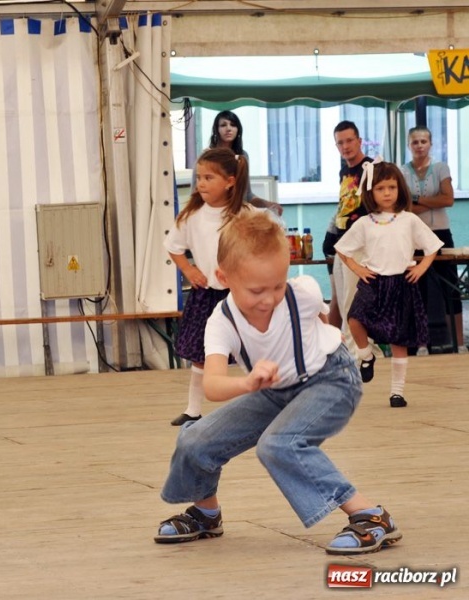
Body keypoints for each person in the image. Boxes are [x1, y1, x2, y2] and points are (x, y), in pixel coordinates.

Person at [154, 210, 401, 556]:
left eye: (277, 285)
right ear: (223, 277)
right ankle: (206, 513)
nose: (268, 298)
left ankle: (371, 516)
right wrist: (248, 383)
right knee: (195, 438)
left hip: (330, 379)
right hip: (272, 390)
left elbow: (322, 328)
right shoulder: (221, 321)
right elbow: (212, 386)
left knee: (278, 444)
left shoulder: (303, 293)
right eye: (256, 290)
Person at [335, 160, 443, 408]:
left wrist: (421, 267)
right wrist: (357, 268)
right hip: (373, 282)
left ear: (399, 189)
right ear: (371, 192)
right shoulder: (364, 223)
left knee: (398, 340)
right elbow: (343, 249)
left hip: (401, 284)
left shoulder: (409, 220)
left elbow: (432, 246)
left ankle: (397, 392)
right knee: (354, 319)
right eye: (381, 188)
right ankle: (366, 355)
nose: (387, 193)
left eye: (392, 187)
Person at [165, 148, 254, 426]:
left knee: (250, 349)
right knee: (201, 354)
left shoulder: (244, 214)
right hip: (206, 295)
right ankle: (193, 409)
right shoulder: (191, 215)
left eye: (208, 177)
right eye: (199, 177)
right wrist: (189, 270)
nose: (201, 183)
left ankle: (264, 401)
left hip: (239, 294)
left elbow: (259, 248)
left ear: (229, 181)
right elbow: (174, 248)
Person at [399, 126, 466, 354]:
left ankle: (460, 342)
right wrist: (430, 200)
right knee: (417, 289)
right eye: (415, 142)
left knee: (451, 287)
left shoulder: (440, 167)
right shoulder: (403, 171)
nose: (419, 146)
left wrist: (417, 199)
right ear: (409, 145)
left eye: (423, 141)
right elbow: (403, 206)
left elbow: (448, 199)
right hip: (415, 236)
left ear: (431, 144)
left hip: (440, 233)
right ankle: (421, 344)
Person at [322, 121, 373, 342]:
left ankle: (365, 355)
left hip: (361, 245)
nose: (345, 146)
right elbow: (344, 204)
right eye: (340, 142)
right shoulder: (344, 171)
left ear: (359, 141)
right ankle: (353, 356)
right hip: (343, 244)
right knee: (343, 303)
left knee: (354, 303)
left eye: (349, 140)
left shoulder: (371, 168)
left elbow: (374, 206)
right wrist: (331, 232)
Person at [209, 110, 283, 216]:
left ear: (238, 130)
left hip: (239, 218)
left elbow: (247, 195)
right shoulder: (208, 156)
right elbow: (197, 193)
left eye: (233, 125)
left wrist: (267, 204)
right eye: (223, 125)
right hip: (215, 216)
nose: (228, 128)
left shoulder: (243, 156)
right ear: (216, 130)